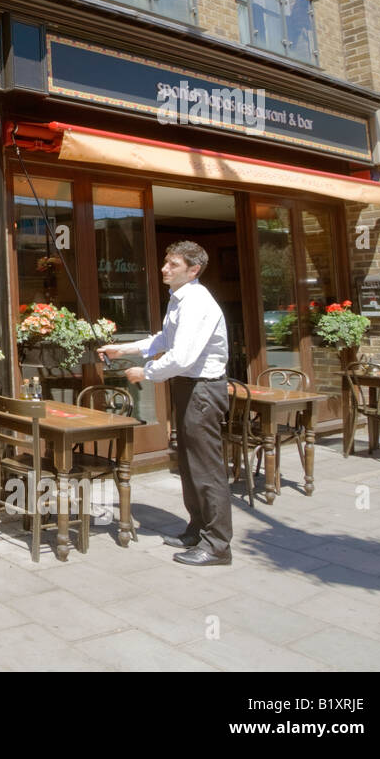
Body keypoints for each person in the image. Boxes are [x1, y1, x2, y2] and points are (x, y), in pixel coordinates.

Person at [99, 241, 232, 566]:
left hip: (202, 389)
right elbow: (164, 340)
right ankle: (198, 528)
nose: (164, 268)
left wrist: (146, 372)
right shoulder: (179, 299)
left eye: (172, 264)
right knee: (187, 463)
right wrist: (124, 349)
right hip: (188, 388)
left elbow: (183, 356)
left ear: (193, 269)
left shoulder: (197, 302)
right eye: (166, 262)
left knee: (206, 467)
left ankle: (217, 546)